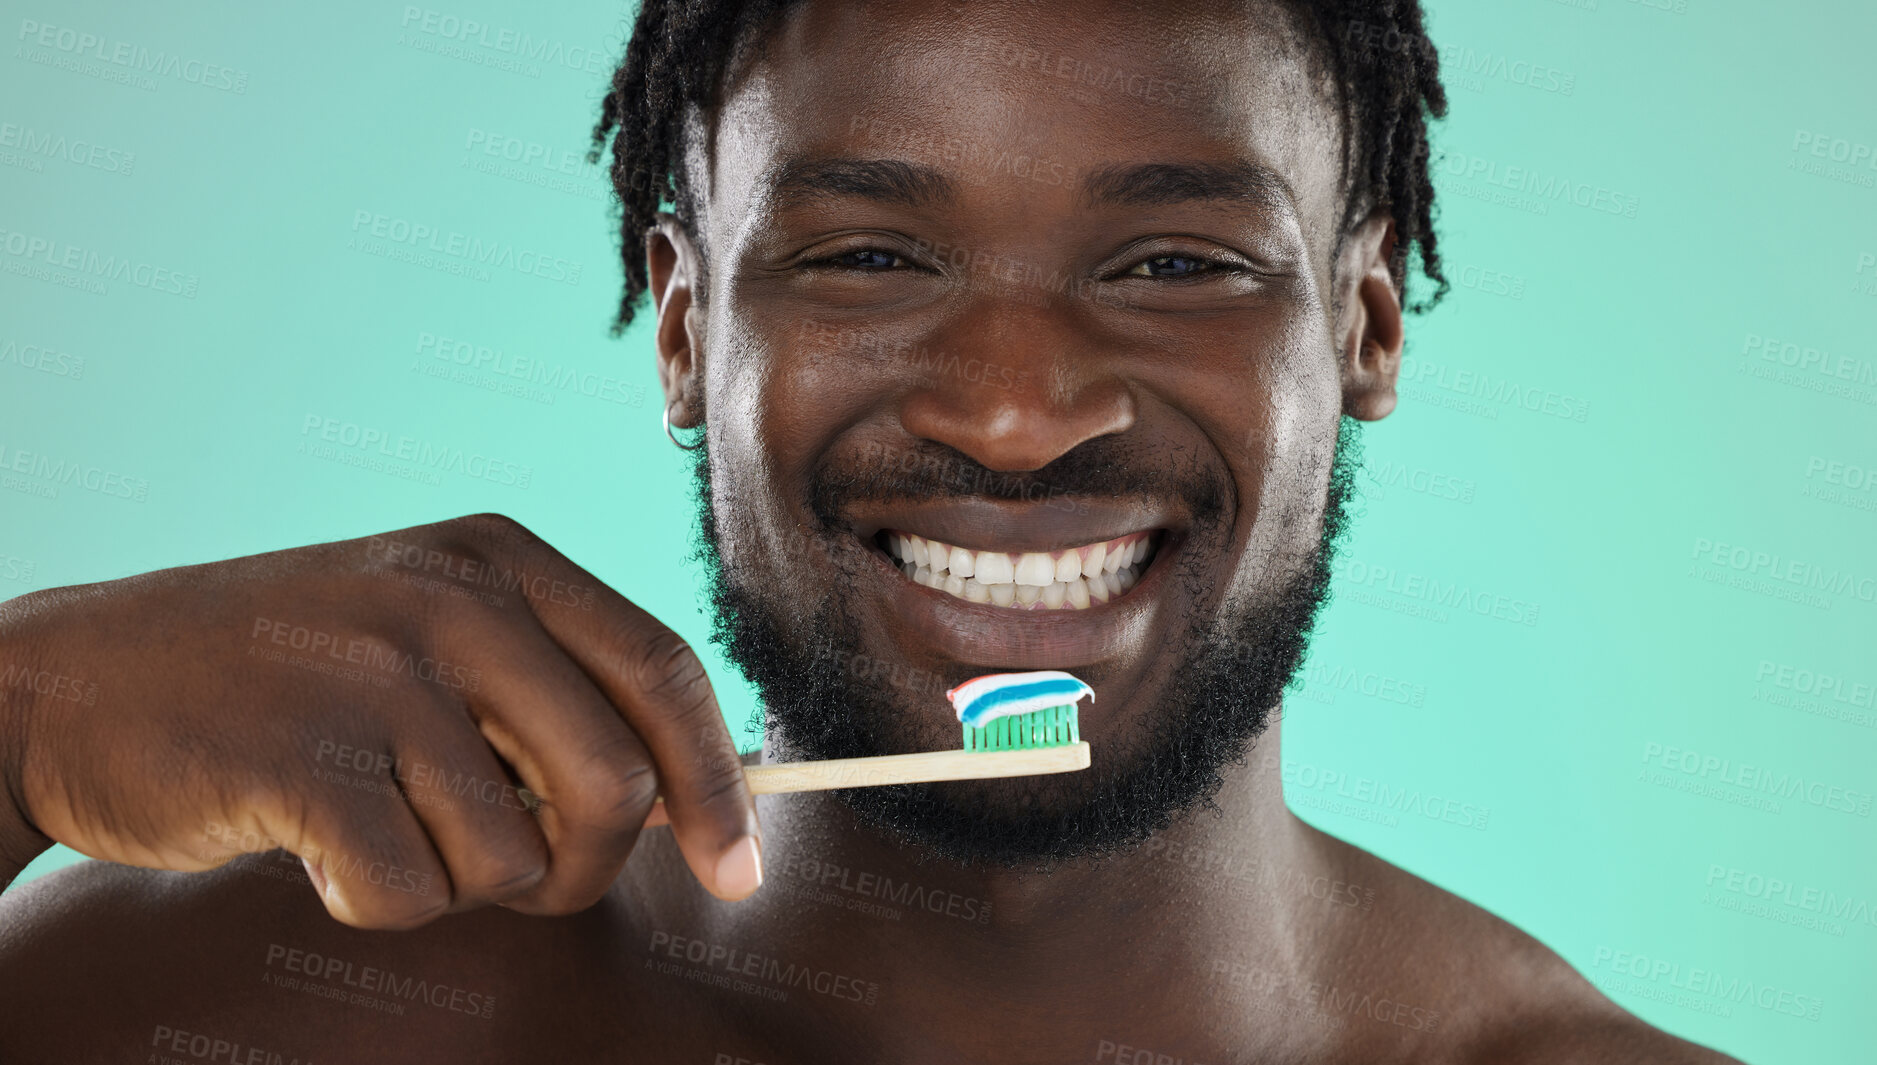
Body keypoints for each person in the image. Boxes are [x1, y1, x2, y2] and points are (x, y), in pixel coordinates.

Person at [0, 0, 1744, 1060]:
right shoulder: (238, 1001)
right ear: (686, 330)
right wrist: (20, 724)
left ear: (1360, 327)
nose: (1014, 410)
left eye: (1172, 264)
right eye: (870, 257)